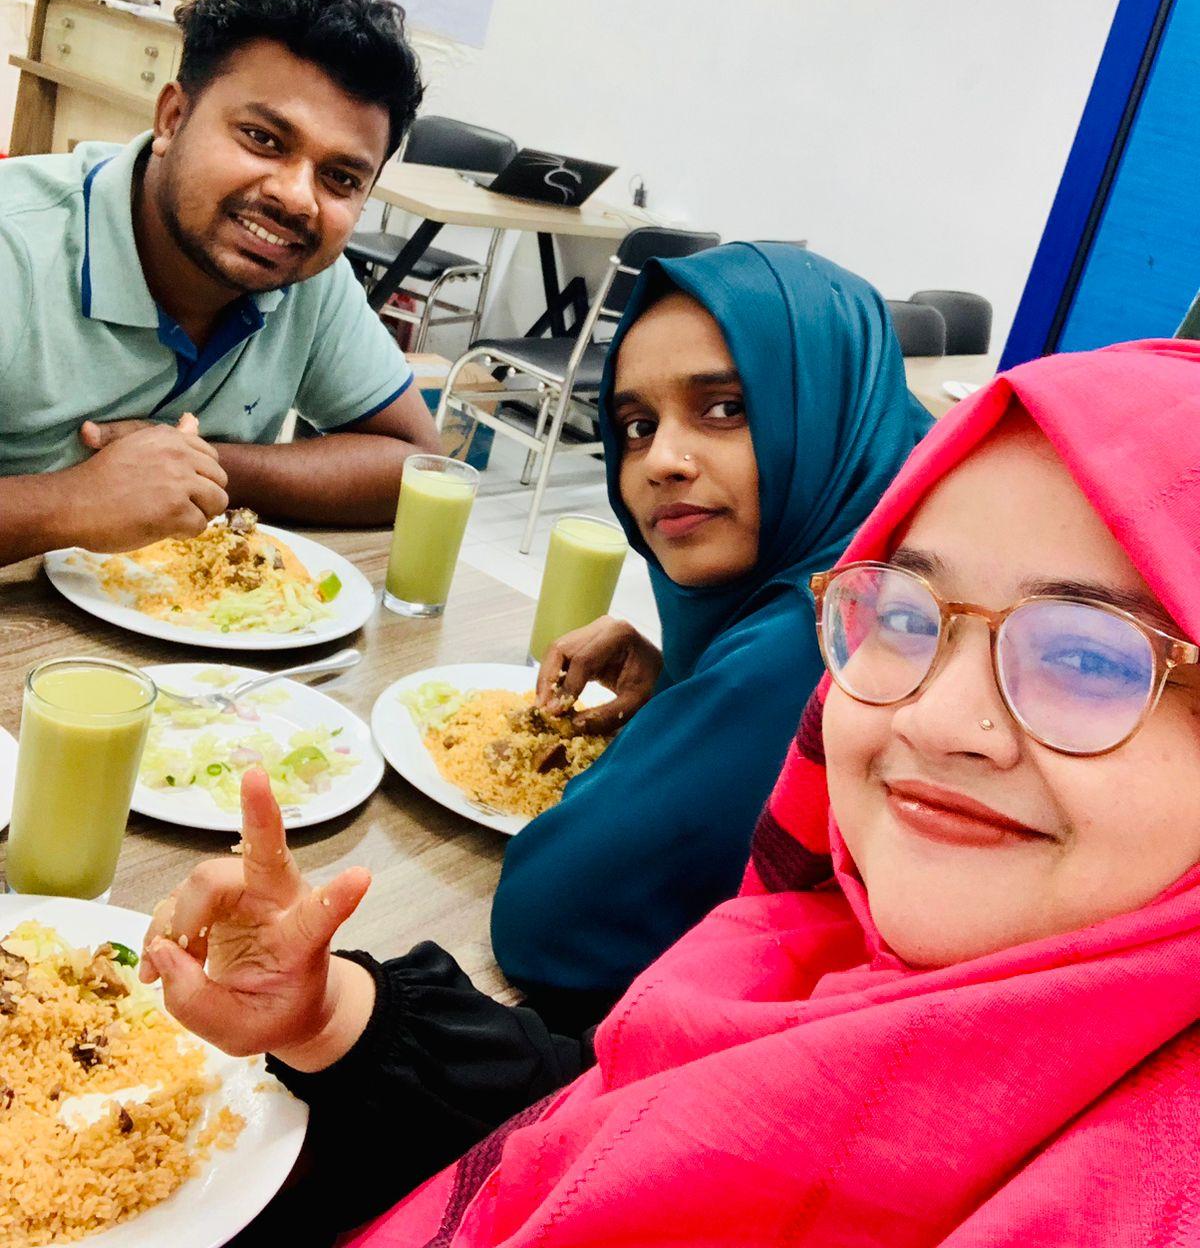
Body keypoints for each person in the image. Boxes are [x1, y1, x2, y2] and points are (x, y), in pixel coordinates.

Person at [141, 338, 1200, 1247]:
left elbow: (553, 912)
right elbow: (608, 1113)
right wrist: (329, 1012)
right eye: (905, 615)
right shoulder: (807, 955)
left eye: (1091, 657)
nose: (936, 719)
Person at [491, 242, 930, 1027]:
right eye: (634, 425)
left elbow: (548, 916)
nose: (660, 461)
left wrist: (706, 703)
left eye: (725, 408)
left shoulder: (828, 633)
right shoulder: (901, 547)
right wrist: (681, 685)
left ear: (825, 405)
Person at [0, 0, 441, 566]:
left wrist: (203, 467)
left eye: (340, 178)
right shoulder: (17, 243)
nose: (298, 199)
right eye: (263, 138)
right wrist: (68, 503)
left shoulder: (306, 274)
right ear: (173, 119)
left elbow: (416, 466)